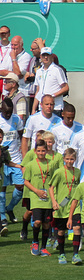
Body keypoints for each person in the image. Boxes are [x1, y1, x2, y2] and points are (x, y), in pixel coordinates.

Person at [23, 139, 56, 257]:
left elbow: (54, 181)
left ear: (47, 151)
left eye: (43, 151)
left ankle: (43, 248)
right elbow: (26, 181)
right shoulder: (31, 164)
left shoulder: (51, 164)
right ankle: (35, 242)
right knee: (37, 222)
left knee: (46, 224)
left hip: (47, 199)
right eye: (39, 151)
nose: (41, 153)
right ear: (35, 151)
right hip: (36, 198)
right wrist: (37, 191)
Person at [48, 148, 81, 265]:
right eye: (67, 159)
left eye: (72, 159)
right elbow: (51, 187)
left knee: (77, 228)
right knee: (61, 232)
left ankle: (75, 254)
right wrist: (54, 202)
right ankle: (62, 254)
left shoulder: (78, 172)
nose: (69, 161)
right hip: (61, 207)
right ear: (63, 159)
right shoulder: (59, 172)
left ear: (75, 159)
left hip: (75, 206)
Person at [0, 97, 24, 228]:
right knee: (2, 189)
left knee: (20, 187)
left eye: (10, 112)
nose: (8, 115)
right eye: (6, 112)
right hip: (2, 161)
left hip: (16, 159)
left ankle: (10, 208)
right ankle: (3, 217)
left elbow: (21, 135)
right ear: (1, 109)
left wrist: (22, 149)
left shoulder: (17, 119)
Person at [32, 47, 68, 115]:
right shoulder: (39, 71)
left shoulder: (57, 70)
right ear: (40, 56)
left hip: (55, 107)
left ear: (51, 56)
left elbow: (65, 88)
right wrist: (33, 109)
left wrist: (52, 96)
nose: (45, 57)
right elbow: (38, 91)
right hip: (41, 108)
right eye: (43, 55)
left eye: (47, 55)